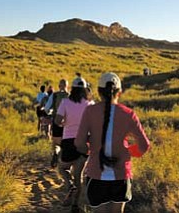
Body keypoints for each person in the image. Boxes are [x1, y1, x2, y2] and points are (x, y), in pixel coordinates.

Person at [75, 72, 150, 213]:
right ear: (119, 92)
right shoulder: (129, 114)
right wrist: (128, 152)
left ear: (98, 91)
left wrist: (89, 150)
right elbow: (144, 146)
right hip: (121, 176)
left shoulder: (90, 111)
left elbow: (79, 143)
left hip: (96, 175)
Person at [55, 74, 94, 211]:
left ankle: (69, 184)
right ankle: (75, 206)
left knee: (62, 168)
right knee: (79, 176)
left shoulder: (65, 102)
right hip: (84, 143)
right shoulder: (90, 104)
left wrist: (66, 123)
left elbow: (58, 121)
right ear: (85, 89)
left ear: (72, 89)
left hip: (68, 141)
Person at [44, 78, 69, 168]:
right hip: (67, 123)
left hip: (56, 121)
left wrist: (51, 113)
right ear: (67, 86)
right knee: (66, 143)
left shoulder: (54, 95)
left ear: (59, 86)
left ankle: (56, 153)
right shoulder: (70, 96)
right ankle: (64, 163)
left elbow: (47, 108)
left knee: (56, 143)